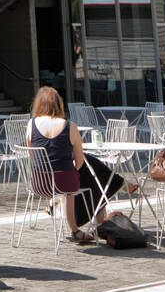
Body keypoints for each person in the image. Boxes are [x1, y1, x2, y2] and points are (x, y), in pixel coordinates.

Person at [26, 86, 129, 242]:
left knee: (81, 174)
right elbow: (79, 162)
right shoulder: (69, 126)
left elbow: (33, 157)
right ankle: (76, 229)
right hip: (64, 184)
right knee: (83, 175)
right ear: (59, 104)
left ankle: (57, 202)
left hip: (39, 183)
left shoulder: (31, 125)